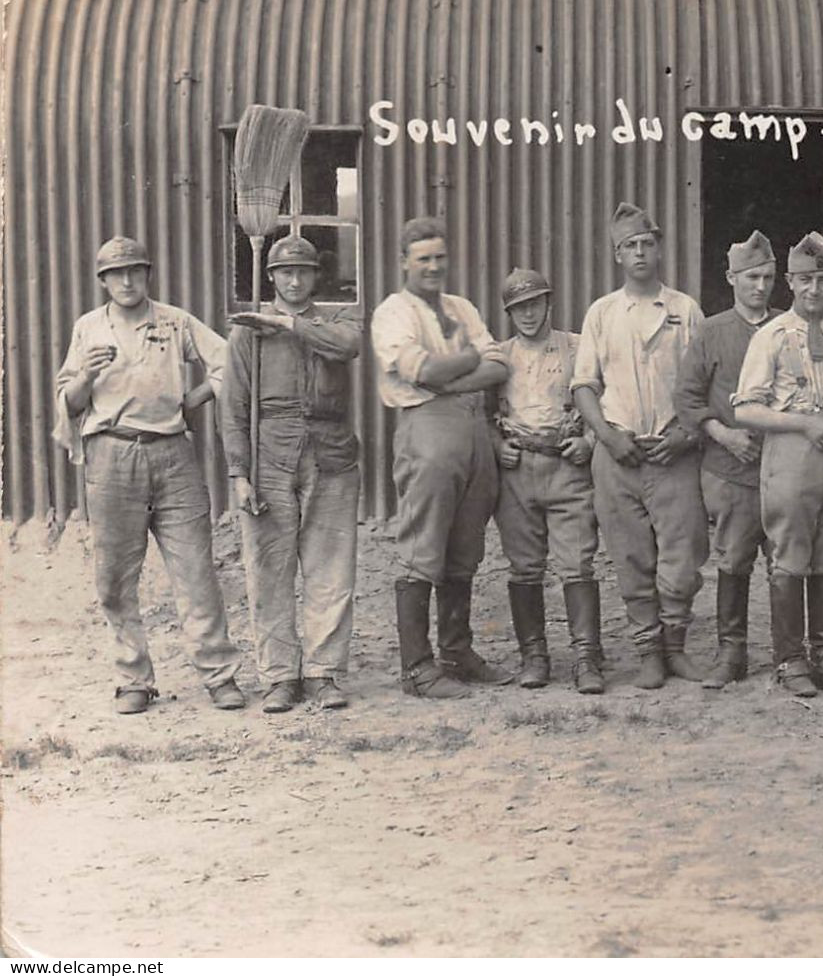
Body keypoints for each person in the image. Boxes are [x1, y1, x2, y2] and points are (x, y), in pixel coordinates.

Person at [53, 236, 245, 714]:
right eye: (116, 273)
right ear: (102, 281)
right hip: (112, 455)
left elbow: (230, 361)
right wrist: (86, 378)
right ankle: (133, 678)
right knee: (115, 578)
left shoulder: (174, 321)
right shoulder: (88, 328)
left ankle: (219, 675)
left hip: (173, 453)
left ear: (147, 274)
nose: (126, 280)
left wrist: (194, 398)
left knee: (196, 571)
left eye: (135, 270)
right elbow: (70, 404)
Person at [371, 216, 512, 700]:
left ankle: (457, 653)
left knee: (464, 548)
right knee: (423, 546)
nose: (433, 266)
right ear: (404, 262)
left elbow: (497, 363)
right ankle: (417, 668)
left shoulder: (461, 306)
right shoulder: (394, 312)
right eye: (423, 258)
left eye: (439, 257)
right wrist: (464, 363)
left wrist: (456, 374)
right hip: (426, 428)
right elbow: (421, 370)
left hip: (472, 427)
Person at [222, 235, 363, 713]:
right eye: (286, 272)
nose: (295, 279)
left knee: (331, 568)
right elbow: (233, 408)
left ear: (316, 276)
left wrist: (288, 324)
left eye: (303, 271)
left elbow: (347, 348)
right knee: (269, 569)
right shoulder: (247, 334)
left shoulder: (338, 319)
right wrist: (239, 472)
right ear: (272, 277)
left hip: (332, 452)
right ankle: (280, 675)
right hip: (270, 455)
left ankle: (324, 673)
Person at [571, 202, 708, 690]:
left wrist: (687, 433)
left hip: (673, 451)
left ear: (659, 247)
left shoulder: (685, 310)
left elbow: (702, 384)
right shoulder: (603, 313)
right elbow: (584, 385)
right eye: (630, 246)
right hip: (620, 452)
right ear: (617, 256)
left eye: (647, 243)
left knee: (683, 554)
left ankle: (676, 646)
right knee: (630, 556)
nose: (640, 252)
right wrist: (607, 436)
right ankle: (648, 649)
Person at [732, 231, 823, 698]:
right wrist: (800, 424)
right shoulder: (770, 336)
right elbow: (745, 409)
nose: (814, 290)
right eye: (805, 280)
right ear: (790, 282)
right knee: (789, 552)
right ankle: (790, 660)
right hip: (791, 448)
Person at [489, 269, 602, 693]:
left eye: (535, 304)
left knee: (577, 562)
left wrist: (590, 441)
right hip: (519, 469)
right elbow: (482, 411)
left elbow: (604, 397)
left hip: (566, 465)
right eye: (519, 308)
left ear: (549, 303)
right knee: (524, 565)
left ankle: (587, 657)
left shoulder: (576, 347)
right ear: (509, 313)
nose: (528, 314)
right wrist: (496, 443)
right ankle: (534, 656)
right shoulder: (499, 355)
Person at [673, 230, 776, 689]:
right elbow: (687, 398)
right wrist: (724, 434)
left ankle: (789, 653)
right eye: (751, 277)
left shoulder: (786, 327)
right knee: (734, 561)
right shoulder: (712, 332)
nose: (761, 286)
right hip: (730, 470)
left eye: (769, 277)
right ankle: (730, 652)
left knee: (787, 561)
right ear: (731, 278)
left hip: (780, 468)